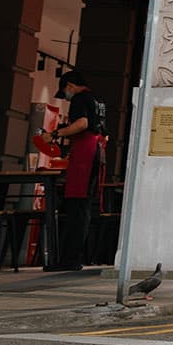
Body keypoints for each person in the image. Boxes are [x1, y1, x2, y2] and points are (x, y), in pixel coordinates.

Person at [50, 70, 105, 271]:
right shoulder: (97, 101)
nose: (65, 96)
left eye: (65, 91)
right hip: (96, 153)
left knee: (76, 207)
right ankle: (75, 256)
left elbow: (82, 124)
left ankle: (70, 258)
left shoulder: (80, 99)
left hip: (85, 155)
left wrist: (56, 134)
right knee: (84, 209)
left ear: (70, 86)